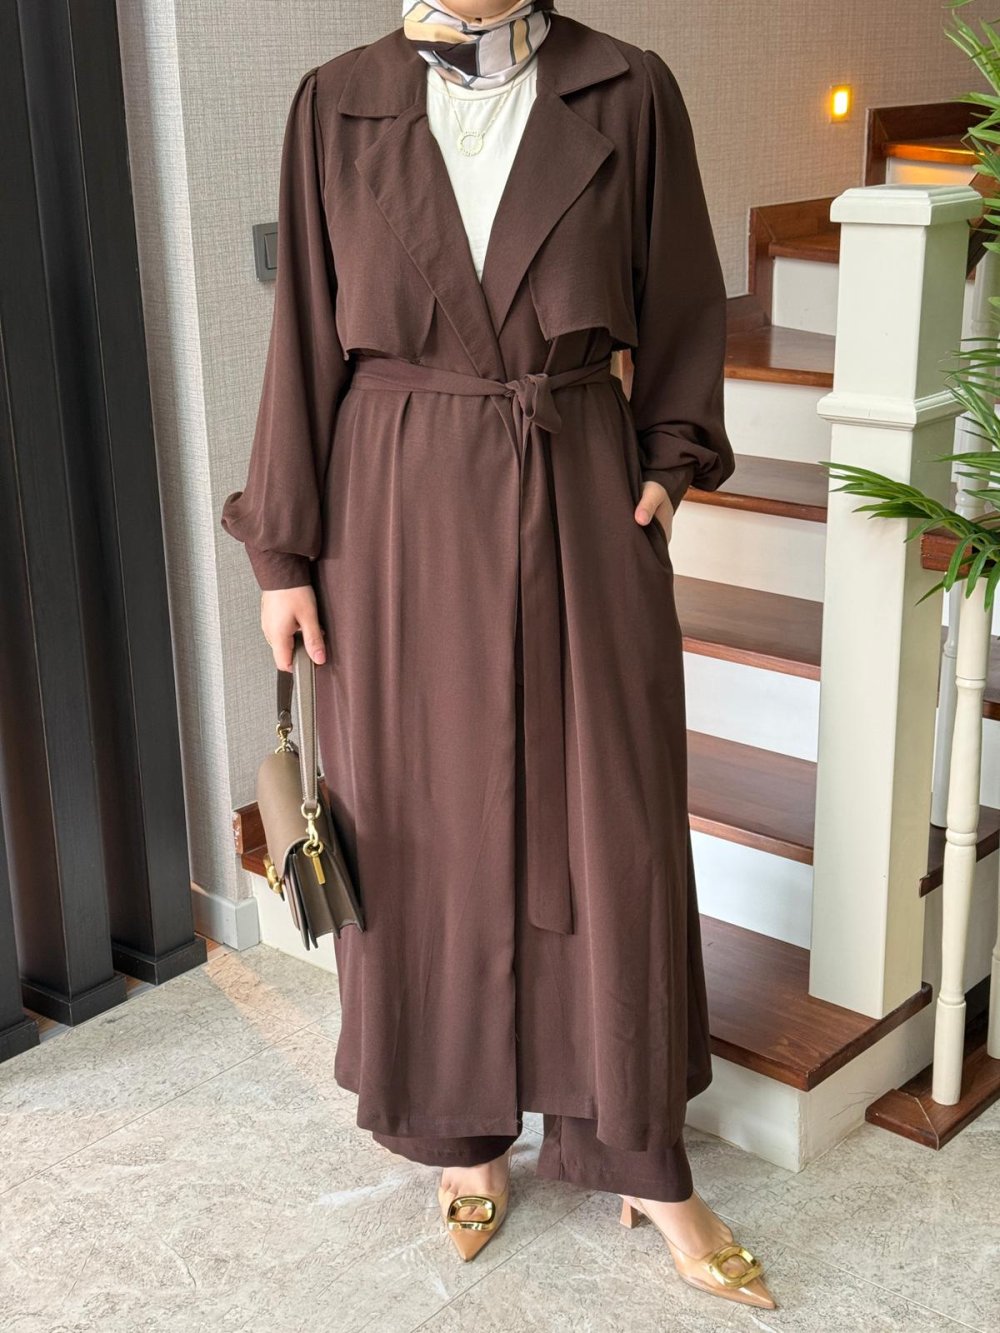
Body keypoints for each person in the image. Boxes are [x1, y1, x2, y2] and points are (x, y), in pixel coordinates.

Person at [222, 0, 776, 1310]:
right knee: (425, 827)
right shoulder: (335, 103)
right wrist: (283, 553)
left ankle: (638, 1151)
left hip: (579, 491)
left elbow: (681, 297)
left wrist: (667, 466)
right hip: (394, 516)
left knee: (613, 825)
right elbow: (302, 339)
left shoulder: (627, 89)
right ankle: (457, 1132)